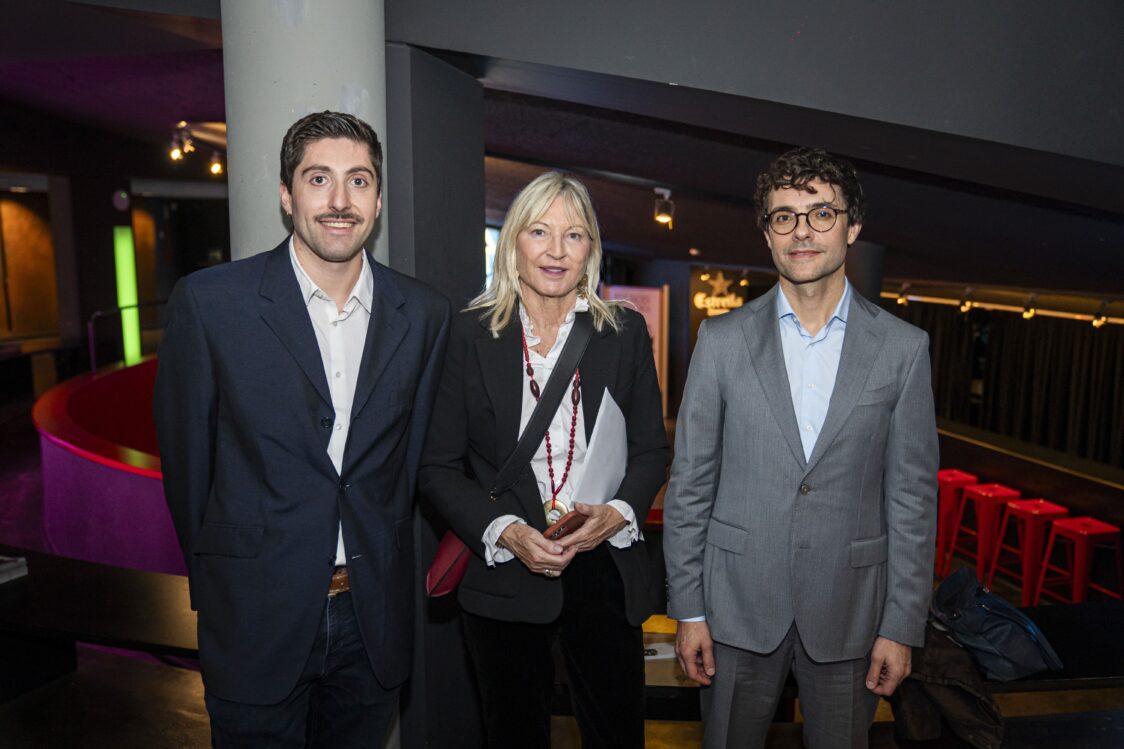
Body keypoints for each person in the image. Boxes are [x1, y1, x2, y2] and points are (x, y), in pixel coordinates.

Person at [154, 111, 450, 748]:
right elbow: (187, 469)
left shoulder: (425, 314)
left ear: (378, 200)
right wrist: (220, 588)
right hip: (253, 616)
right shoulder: (211, 303)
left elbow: (411, 469)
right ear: (287, 196)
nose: (340, 201)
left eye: (359, 181)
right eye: (319, 179)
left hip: (372, 620)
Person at [663, 147, 938, 748]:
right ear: (767, 234)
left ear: (852, 227)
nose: (803, 232)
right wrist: (689, 610)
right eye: (784, 217)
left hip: (851, 614)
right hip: (734, 610)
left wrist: (902, 625)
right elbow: (690, 487)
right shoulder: (721, 340)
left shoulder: (903, 350)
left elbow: (912, 502)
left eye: (822, 214)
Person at [419, 171, 669, 749]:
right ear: (513, 243)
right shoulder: (468, 334)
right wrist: (506, 532)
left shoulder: (624, 332)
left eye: (573, 235)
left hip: (603, 569)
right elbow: (437, 467)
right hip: (506, 569)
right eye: (539, 231)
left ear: (590, 250)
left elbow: (651, 451)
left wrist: (617, 512)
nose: (556, 250)